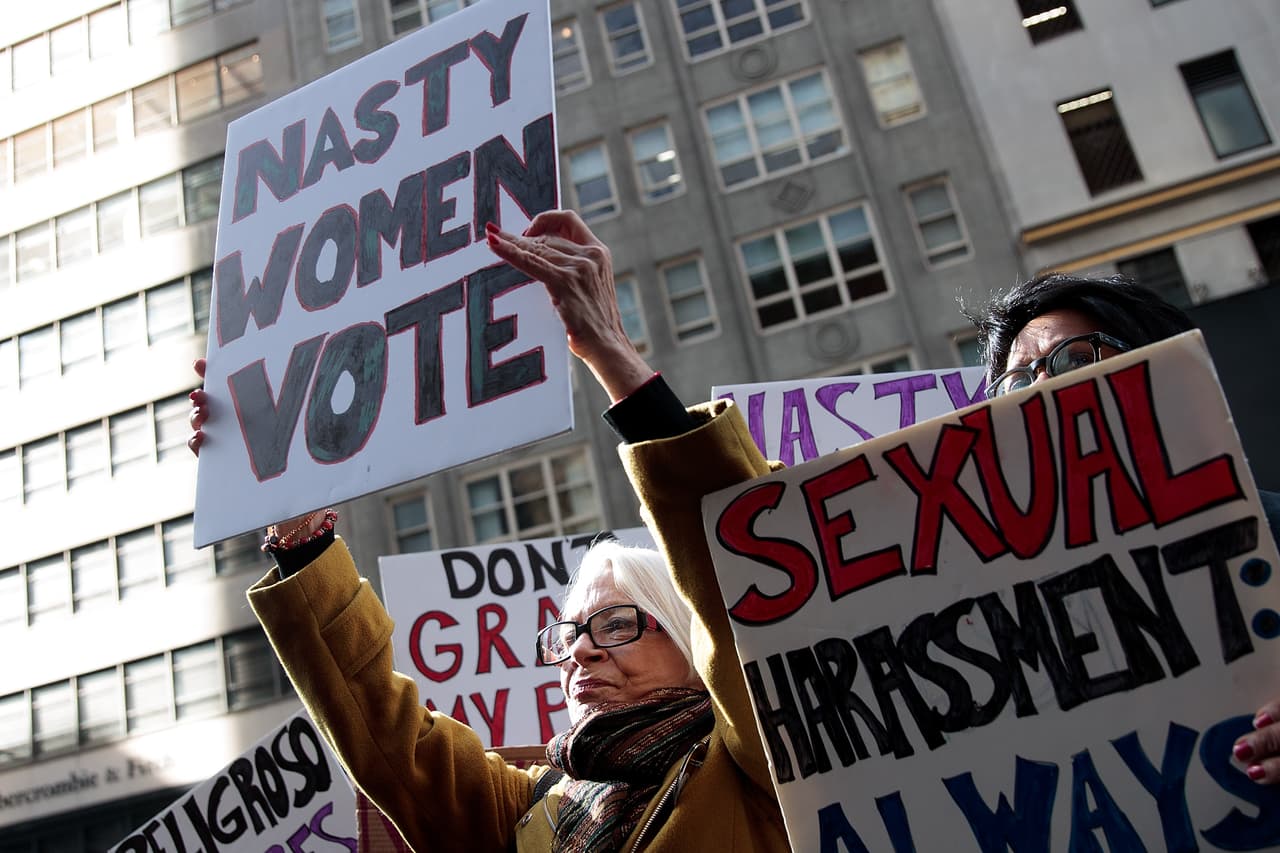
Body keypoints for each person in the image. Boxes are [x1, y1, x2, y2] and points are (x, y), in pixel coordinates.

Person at [186, 223, 790, 853]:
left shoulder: (762, 756)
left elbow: (748, 583)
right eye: (570, 635)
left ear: (701, 650)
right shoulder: (532, 811)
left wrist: (611, 350)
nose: (581, 654)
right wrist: (288, 506)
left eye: (616, 625)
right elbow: (384, 735)